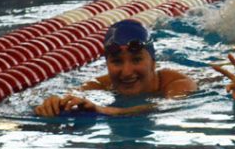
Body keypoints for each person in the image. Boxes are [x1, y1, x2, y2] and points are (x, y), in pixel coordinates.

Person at [34, 19, 197, 117]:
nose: (126, 72)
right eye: (117, 62)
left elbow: (165, 108)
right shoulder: (100, 84)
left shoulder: (179, 82)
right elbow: (75, 94)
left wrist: (103, 110)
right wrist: (55, 103)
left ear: (154, 62)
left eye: (137, 59)